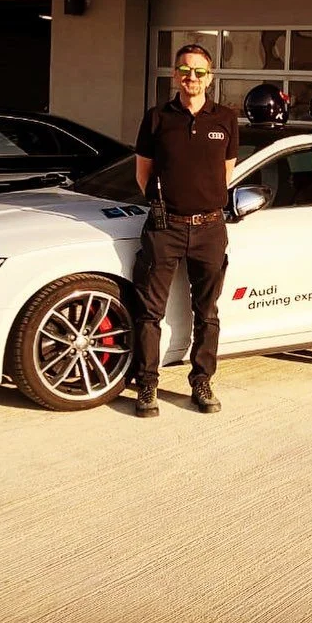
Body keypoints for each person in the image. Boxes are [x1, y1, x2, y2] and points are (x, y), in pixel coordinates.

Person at [131, 44, 239, 417]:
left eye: (199, 71)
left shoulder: (225, 118)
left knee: (207, 312)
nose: (191, 76)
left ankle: (202, 381)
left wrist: (205, 202)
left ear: (210, 77)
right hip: (165, 229)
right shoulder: (157, 117)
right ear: (176, 74)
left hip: (210, 228)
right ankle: (147, 384)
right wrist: (164, 207)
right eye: (184, 69)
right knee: (150, 312)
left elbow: (226, 173)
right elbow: (143, 172)